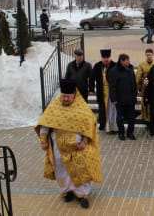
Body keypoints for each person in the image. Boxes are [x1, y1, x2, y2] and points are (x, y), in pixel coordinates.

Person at [35, 79, 102, 209]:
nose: (65, 99)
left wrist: (84, 141)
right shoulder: (54, 107)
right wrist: (43, 140)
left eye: (68, 96)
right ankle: (68, 191)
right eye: (63, 96)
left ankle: (82, 195)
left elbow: (90, 126)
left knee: (81, 169)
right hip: (58, 146)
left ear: (74, 95)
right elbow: (45, 124)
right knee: (61, 169)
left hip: (77, 147)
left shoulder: (82, 108)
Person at [108, 53, 138, 141]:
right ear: (121, 61)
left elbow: (134, 84)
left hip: (130, 99)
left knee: (132, 117)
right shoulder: (114, 71)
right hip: (120, 100)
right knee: (120, 118)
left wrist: (135, 96)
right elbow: (112, 86)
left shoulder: (130, 69)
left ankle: (130, 132)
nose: (129, 62)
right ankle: (121, 133)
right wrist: (113, 99)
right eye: (127, 60)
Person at [90, 49, 117, 132]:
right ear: (101, 58)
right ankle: (102, 124)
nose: (106, 59)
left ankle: (112, 126)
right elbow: (92, 78)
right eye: (104, 58)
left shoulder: (115, 65)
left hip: (112, 91)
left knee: (112, 109)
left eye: (107, 58)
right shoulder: (97, 65)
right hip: (101, 90)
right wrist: (91, 88)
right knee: (102, 108)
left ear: (110, 57)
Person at [135, 48, 154, 127]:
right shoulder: (142, 65)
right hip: (145, 87)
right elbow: (138, 77)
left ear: (153, 55)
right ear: (145, 55)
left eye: (150, 55)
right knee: (145, 102)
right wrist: (140, 87)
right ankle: (146, 118)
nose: (149, 57)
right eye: (147, 55)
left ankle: (153, 117)